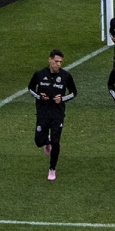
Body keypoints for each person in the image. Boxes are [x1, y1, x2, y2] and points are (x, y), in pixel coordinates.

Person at [27, 49, 77, 181]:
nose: (58, 64)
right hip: (43, 112)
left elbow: (74, 92)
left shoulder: (66, 76)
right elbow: (30, 88)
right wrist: (39, 96)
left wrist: (62, 99)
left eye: (60, 62)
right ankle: (46, 142)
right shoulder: (39, 74)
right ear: (49, 60)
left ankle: (52, 169)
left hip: (57, 113)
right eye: (56, 61)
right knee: (38, 141)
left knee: (56, 142)